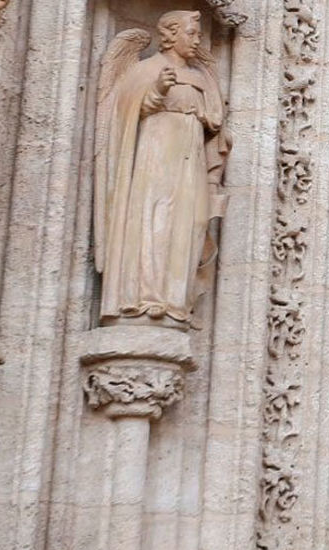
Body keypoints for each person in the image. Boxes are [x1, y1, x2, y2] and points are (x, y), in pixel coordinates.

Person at [95, 10, 230, 329]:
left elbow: (214, 121)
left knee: (191, 221)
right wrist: (156, 90)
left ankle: (176, 300)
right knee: (154, 219)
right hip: (156, 154)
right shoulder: (146, 69)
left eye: (198, 34)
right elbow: (127, 113)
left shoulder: (200, 78)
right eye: (191, 34)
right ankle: (145, 298)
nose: (197, 40)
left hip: (191, 154)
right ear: (170, 34)